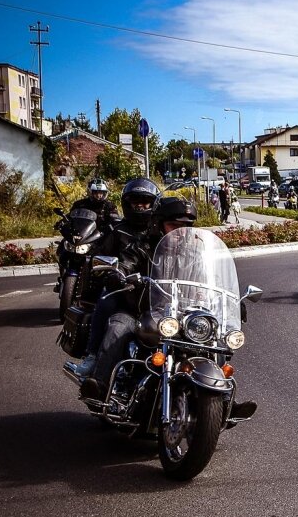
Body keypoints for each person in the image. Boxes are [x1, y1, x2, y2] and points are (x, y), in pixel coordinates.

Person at [80, 196, 257, 422]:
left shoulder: (196, 251)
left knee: (214, 341)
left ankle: (221, 403)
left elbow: (211, 278)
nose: (179, 231)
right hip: (141, 309)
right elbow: (126, 263)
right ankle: (100, 386)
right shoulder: (142, 246)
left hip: (182, 314)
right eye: (173, 225)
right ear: (158, 223)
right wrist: (120, 274)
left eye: (185, 226)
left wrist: (230, 300)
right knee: (118, 328)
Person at [73, 177, 161, 377]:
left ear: (153, 204)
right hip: (124, 289)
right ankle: (93, 355)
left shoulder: (158, 231)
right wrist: (110, 273)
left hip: (157, 292)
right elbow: (99, 255)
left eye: (145, 201)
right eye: (135, 201)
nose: (140, 205)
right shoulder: (118, 231)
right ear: (127, 203)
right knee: (106, 301)